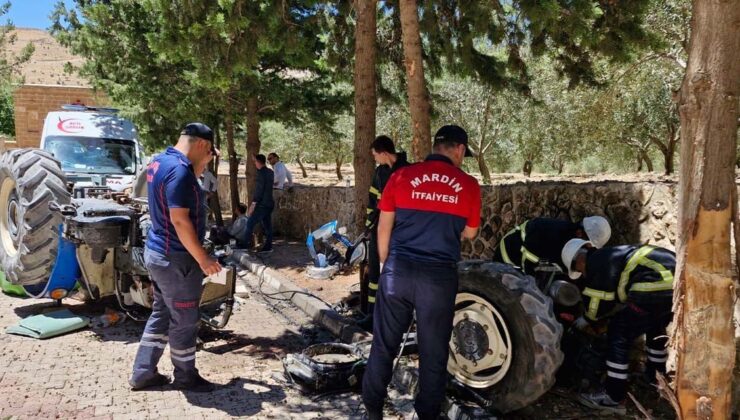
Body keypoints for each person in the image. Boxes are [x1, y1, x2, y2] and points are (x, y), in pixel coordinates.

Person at [362, 125, 481, 420]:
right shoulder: (468, 185)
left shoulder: (402, 175)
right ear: (460, 150)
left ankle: (373, 409)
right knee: (433, 351)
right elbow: (470, 232)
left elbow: (384, 225)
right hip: (438, 278)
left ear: (435, 146)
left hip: (398, 271)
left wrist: (388, 265)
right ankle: (426, 413)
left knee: (384, 344)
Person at [129, 122, 222, 392]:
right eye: (208, 158)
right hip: (176, 260)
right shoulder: (181, 171)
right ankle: (185, 377)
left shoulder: (159, 161)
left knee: (161, 313)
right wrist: (203, 259)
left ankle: (143, 373)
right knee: (184, 321)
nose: (206, 164)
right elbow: (180, 221)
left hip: (157, 253)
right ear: (203, 145)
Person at [561, 239, 675, 415]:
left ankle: (613, 396)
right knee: (655, 328)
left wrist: (584, 321)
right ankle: (654, 379)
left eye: (577, 269)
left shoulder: (595, 264)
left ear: (580, 260)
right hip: (673, 284)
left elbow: (597, 306)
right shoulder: (609, 255)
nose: (581, 274)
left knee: (618, 331)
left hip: (651, 285)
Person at [357, 135, 410, 331]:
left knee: (396, 277)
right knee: (374, 276)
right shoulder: (379, 173)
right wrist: (370, 225)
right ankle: (372, 316)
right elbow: (372, 202)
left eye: (375, 155)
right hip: (378, 231)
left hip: (400, 233)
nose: (374, 159)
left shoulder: (408, 171)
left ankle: (396, 318)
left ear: (384, 153)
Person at [492, 216, 611, 276]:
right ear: (580, 233)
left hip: (525, 259)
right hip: (507, 258)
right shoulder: (553, 235)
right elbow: (530, 260)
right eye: (588, 245)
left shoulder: (569, 241)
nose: (587, 249)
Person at [243, 154, 274, 253]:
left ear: (258, 161)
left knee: (250, 223)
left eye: (255, 161)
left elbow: (259, 190)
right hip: (269, 203)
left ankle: (245, 245)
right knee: (267, 226)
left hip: (262, 205)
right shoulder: (270, 172)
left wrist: (253, 204)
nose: (254, 163)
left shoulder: (261, 173)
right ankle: (268, 246)